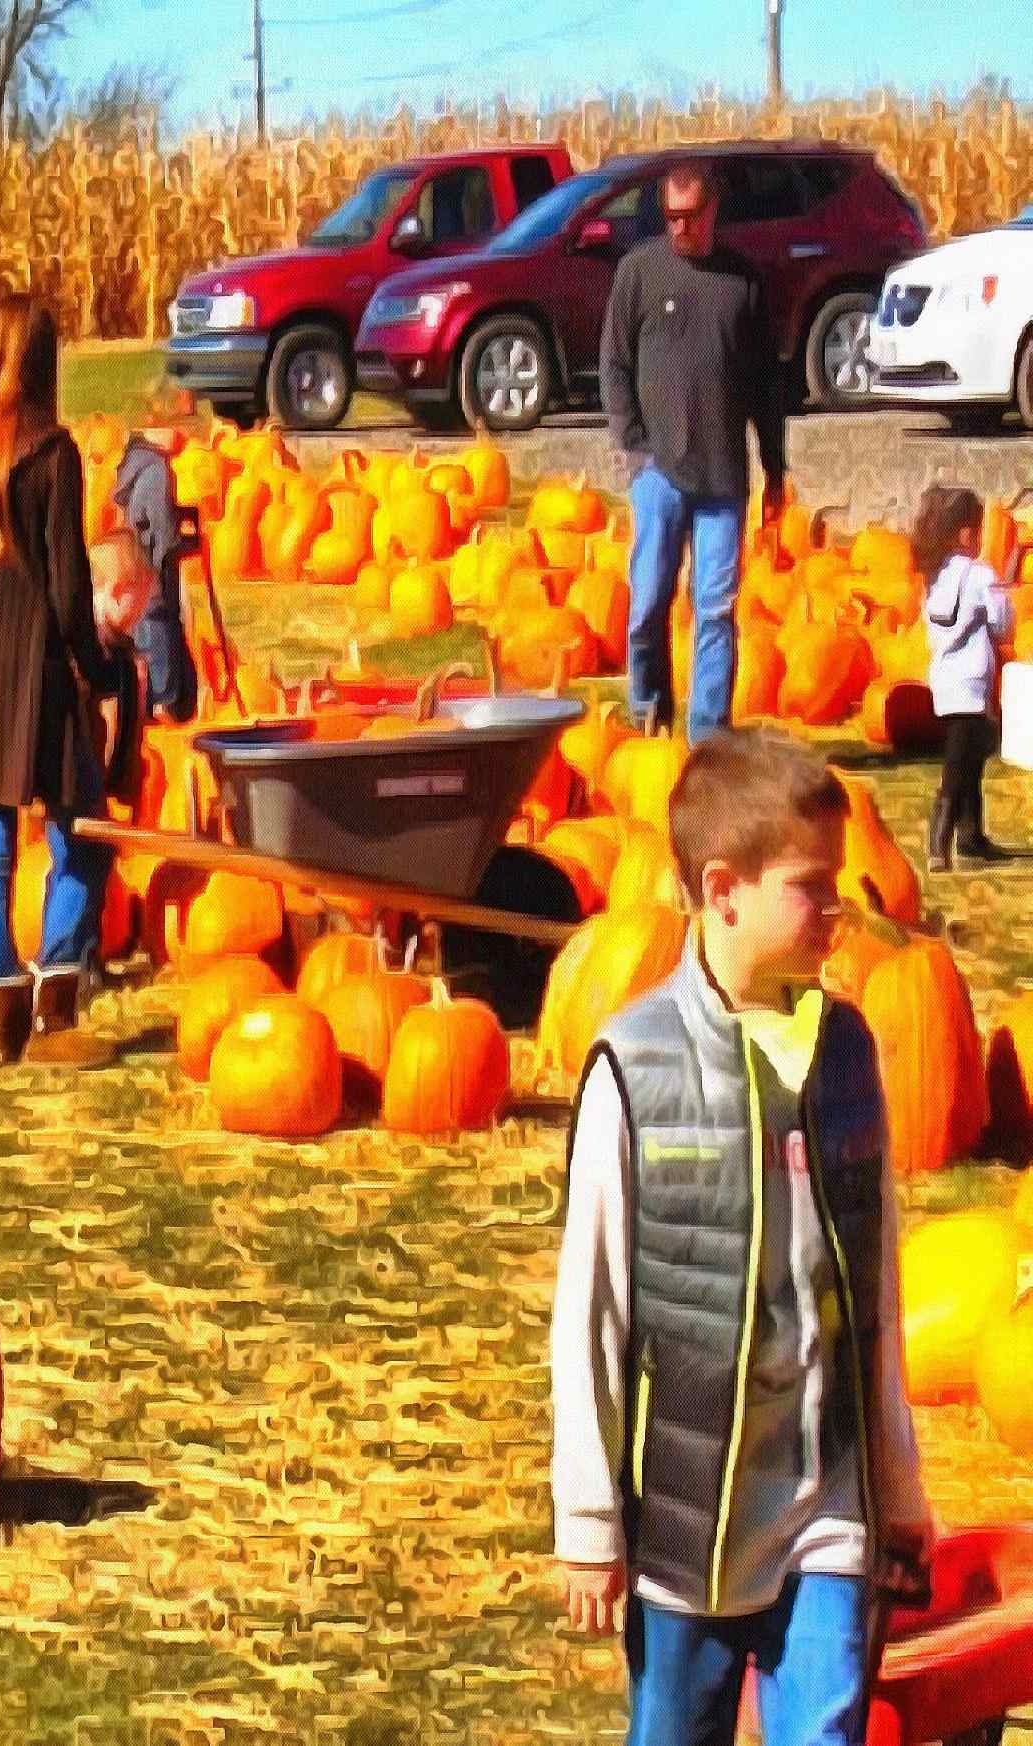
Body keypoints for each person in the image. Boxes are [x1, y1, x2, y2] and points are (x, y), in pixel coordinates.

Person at [551, 727, 929, 1746]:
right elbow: (592, 1312)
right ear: (722, 892)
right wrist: (590, 1522)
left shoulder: (846, 1050)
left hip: (827, 1501)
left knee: (826, 1727)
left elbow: (877, 1286)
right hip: (692, 1519)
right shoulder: (636, 1069)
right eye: (811, 884)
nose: (839, 904)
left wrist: (896, 1485)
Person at [0, 293, 137, 1070]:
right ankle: (54, 1000)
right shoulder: (53, 453)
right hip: (36, 666)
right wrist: (96, 666)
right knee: (81, 832)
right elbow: (65, 583)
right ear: (47, 360)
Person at [601, 160, 788, 744]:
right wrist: (634, 446)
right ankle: (649, 712)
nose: (680, 228)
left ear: (713, 211)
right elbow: (615, 364)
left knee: (714, 610)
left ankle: (708, 737)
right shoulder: (639, 273)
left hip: (723, 479)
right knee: (648, 604)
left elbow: (764, 383)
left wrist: (774, 464)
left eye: (691, 216)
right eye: (671, 216)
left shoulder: (743, 282)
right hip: (658, 473)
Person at [914, 485, 1018, 868]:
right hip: (972, 681)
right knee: (960, 764)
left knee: (971, 758)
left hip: (944, 680)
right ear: (965, 533)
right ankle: (938, 841)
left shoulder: (934, 575)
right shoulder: (978, 574)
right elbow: (1002, 624)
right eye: (978, 530)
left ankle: (972, 835)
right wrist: (1002, 593)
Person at [109, 402, 202, 723]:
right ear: (161, 429)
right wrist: (183, 545)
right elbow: (162, 529)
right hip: (155, 567)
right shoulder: (157, 471)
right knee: (161, 625)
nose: (183, 440)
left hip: (138, 559)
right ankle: (163, 702)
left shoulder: (133, 465)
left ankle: (150, 702)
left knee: (145, 629)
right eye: (179, 432)